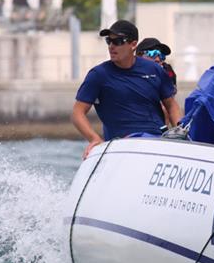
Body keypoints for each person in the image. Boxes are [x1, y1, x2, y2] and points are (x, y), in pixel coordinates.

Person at [71, 20, 182, 159]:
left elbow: (171, 105)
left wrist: (180, 130)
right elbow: (77, 113)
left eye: (118, 41)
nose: (111, 46)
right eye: (108, 41)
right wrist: (94, 139)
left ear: (133, 44)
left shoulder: (154, 70)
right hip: (121, 147)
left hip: (156, 142)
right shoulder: (98, 75)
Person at [136, 36, 178, 127]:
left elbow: (170, 105)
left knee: (165, 108)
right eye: (153, 54)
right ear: (138, 55)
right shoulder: (128, 72)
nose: (158, 59)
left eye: (161, 55)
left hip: (156, 128)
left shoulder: (167, 71)